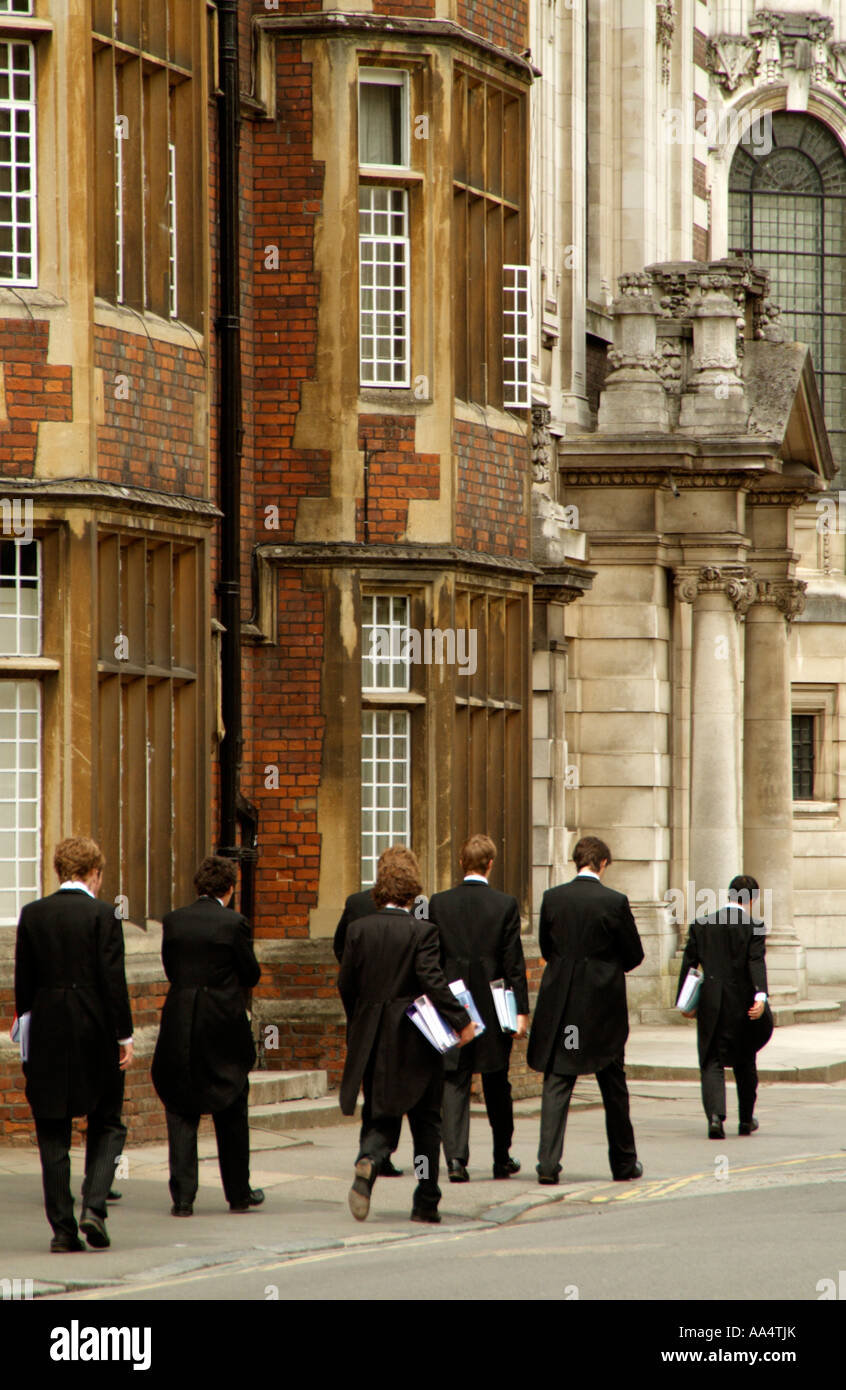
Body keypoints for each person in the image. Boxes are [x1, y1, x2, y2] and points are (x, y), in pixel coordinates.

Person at [338, 846, 475, 1224]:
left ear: (380, 887)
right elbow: (433, 981)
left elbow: (346, 984)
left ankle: (368, 1161)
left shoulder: (358, 930)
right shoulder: (422, 931)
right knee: (426, 1122)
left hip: (371, 1037)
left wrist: (361, 1022)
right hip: (415, 1036)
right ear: (412, 889)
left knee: (380, 1113)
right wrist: (462, 1021)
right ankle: (426, 1198)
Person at [14, 837, 133, 1253]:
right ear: (93, 874)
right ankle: (94, 1208)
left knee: (52, 1131)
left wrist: (25, 1031)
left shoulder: (32, 914)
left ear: (59, 871)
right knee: (108, 1121)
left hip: (46, 1028)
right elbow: (113, 982)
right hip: (95, 1029)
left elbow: (23, 984)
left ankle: (63, 1230)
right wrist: (125, 1036)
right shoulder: (104, 915)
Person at [527, 836, 645, 1185]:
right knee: (613, 1085)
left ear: (575, 861)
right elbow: (634, 955)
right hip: (603, 1007)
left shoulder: (553, 898)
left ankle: (547, 1165)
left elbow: (547, 949)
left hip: (563, 1006)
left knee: (558, 1082)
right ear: (603, 863)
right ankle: (623, 1163)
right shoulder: (614, 901)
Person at [151, 855, 263, 1216]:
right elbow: (251, 974)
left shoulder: (174, 921)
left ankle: (183, 1198)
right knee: (231, 1104)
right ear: (229, 888)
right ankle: (238, 1193)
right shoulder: (234, 923)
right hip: (222, 1022)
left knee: (181, 1105)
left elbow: (171, 969)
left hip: (181, 1019)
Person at [427, 833, 529, 1181]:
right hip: (493, 1005)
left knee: (454, 1080)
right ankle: (502, 1157)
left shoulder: (439, 904)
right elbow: (513, 963)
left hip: (453, 1004)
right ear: (490, 864)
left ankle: (455, 1160)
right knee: (497, 1081)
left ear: (460, 863)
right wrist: (521, 1011)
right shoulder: (505, 904)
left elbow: (433, 960)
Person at [332, 846, 421, 1178]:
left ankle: (370, 1152)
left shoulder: (357, 904)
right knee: (394, 1086)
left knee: (373, 1086)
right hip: (399, 1012)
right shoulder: (415, 912)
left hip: (366, 1010)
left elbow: (341, 950)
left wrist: (357, 1005)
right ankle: (377, 1153)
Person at [677, 874, 769, 1138]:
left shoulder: (702, 924)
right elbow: (755, 963)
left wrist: (685, 1002)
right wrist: (760, 997)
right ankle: (745, 1119)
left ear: (729, 895)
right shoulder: (755, 927)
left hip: (711, 1002)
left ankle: (715, 1118)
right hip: (742, 1003)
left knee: (711, 1059)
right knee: (745, 1060)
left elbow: (690, 966)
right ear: (752, 899)